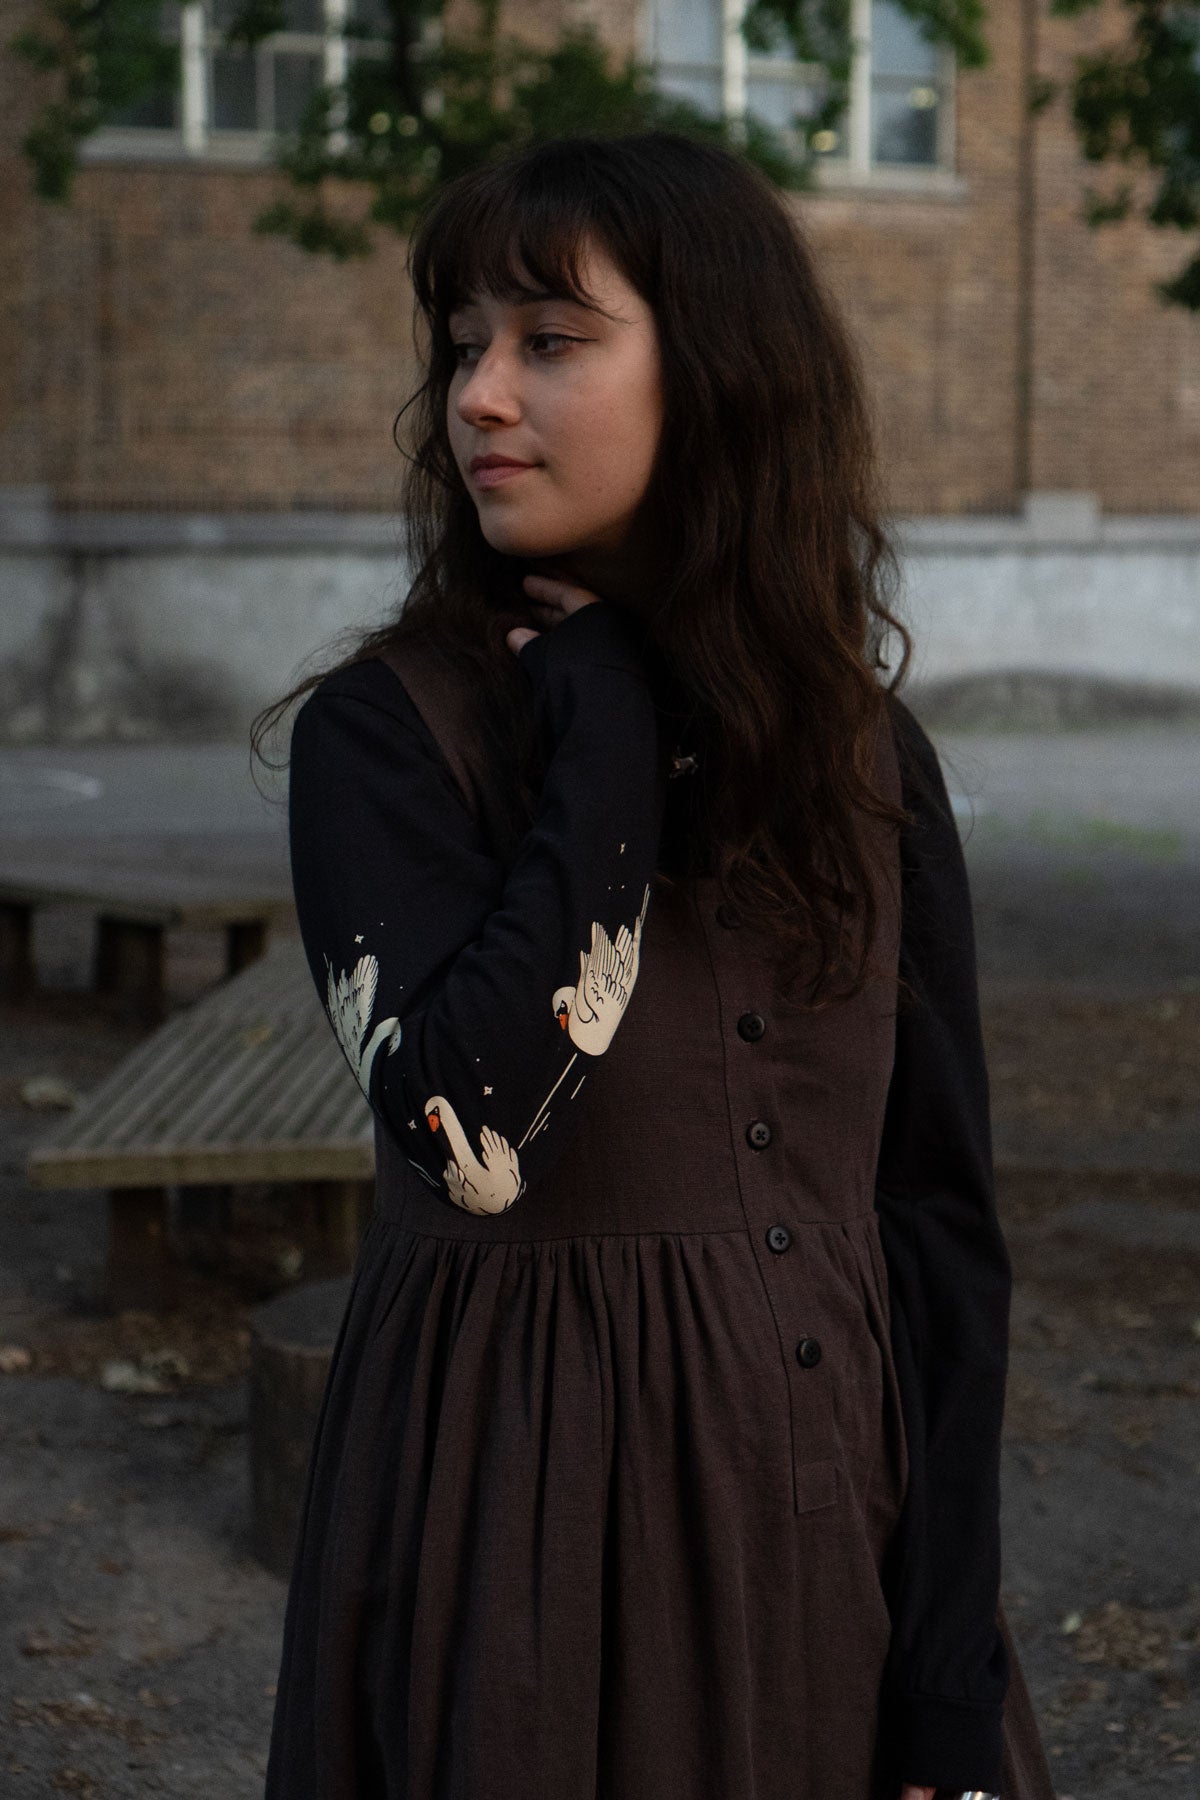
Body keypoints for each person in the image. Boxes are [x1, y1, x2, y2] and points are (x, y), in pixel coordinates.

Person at [257, 131, 1053, 1800]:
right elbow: (470, 1134)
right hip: (517, 1548)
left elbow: (940, 1231)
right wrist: (612, 708)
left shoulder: (862, 758)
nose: (481, 394)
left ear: (719, 376)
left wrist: (950, 1673)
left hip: (829, 1539)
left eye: (549, 342)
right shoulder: (386, 740)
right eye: (465, 342)